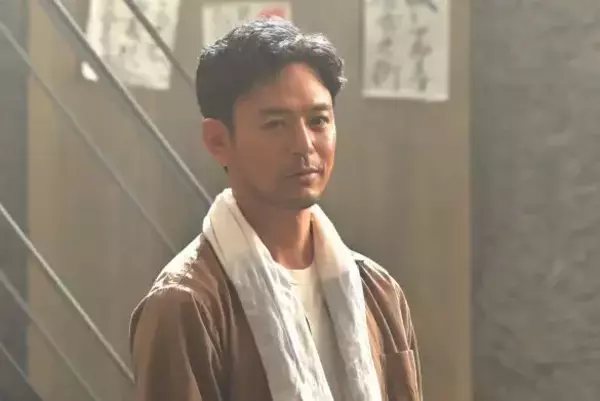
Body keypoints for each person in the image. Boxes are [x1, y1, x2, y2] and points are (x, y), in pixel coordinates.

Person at [129, 18, 422, 401]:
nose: (304, 145)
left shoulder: (378, 292)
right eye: (275, 124)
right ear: (218, 141)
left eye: (318, 121)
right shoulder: (186, 305)